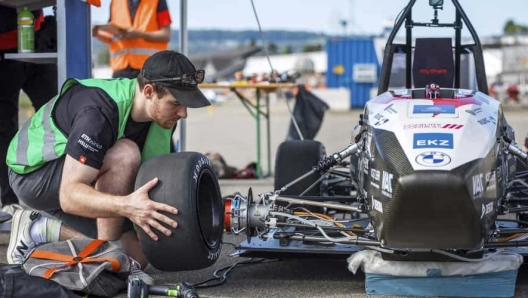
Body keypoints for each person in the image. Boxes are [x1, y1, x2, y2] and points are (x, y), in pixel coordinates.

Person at [5, 50, 210, 284]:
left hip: (79, 177)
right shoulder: (98, 112)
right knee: (125, 154)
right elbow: (70, 196)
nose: (183, 113)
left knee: (139, 255)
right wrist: (126, 206)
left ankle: (40, 230)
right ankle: (103, 259)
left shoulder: (162, 117)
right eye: (176, 103)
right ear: (149, 91)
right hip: (33, 175)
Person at [0, 6, 58, 215]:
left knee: (57, 117)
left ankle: (59, 192)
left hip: (38, 38)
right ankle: (9, 200)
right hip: (4, 48)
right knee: (5, 128)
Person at [92, 0, 172, 79]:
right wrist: (97, 33)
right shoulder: (115, 2)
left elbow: (166, 35)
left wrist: (140, 34)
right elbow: (112, 39)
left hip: (150, 69)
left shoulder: (157, 1)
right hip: (120, 70)